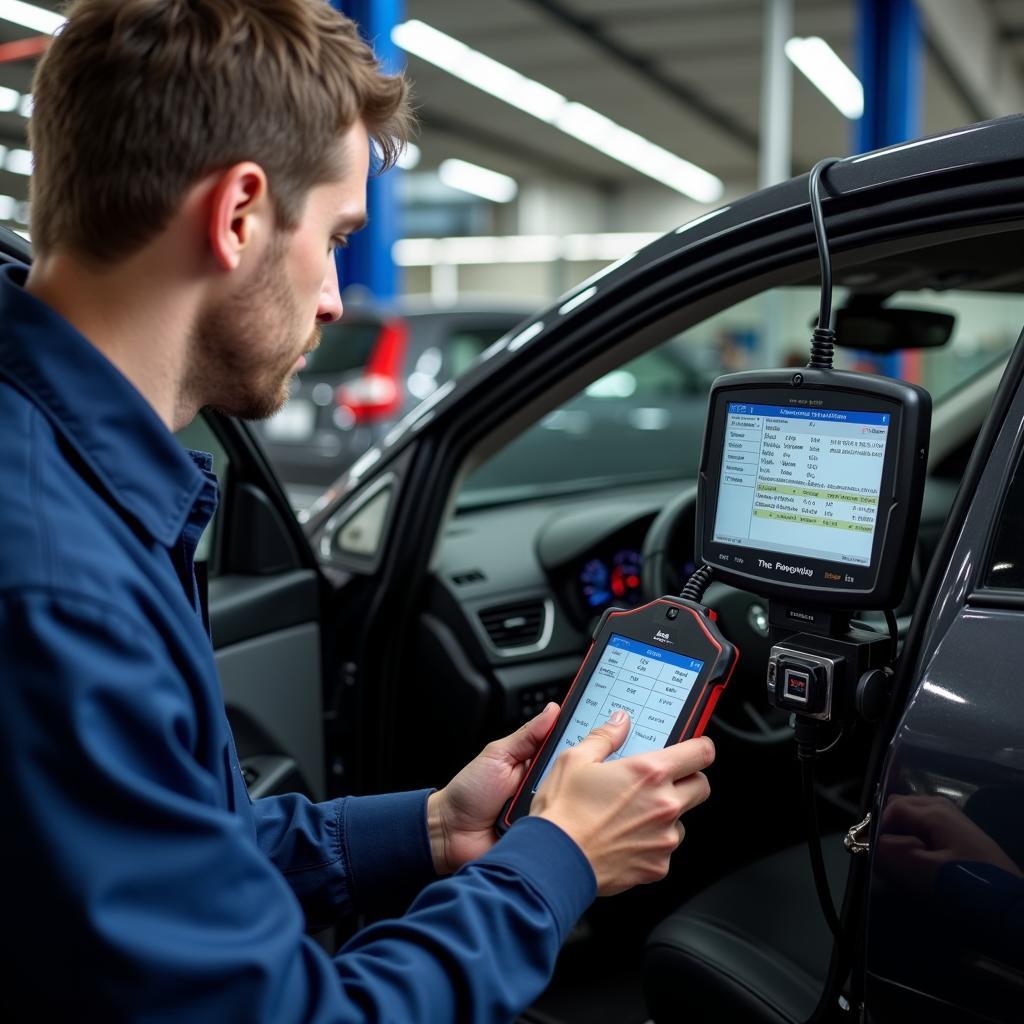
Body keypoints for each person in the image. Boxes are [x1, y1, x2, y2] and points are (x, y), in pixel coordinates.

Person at [0, 1, 715, 1019]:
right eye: (335, 237)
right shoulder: (55, 582)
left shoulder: (62, 475)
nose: (335, 298)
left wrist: (427, 828)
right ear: (238, 213)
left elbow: (167, 870)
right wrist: (554, 862)